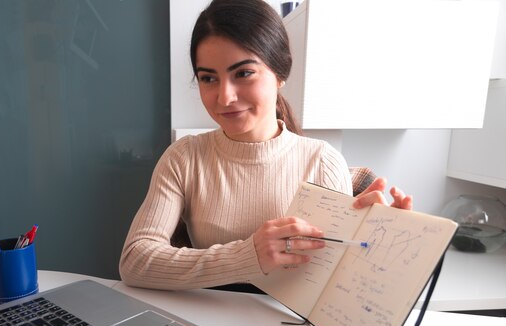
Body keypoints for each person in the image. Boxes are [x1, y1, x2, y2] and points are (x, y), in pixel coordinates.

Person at [119, 0, 412, 290]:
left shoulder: (322, 161)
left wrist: (382, 245)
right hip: (207, 321)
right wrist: (249, 256)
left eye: (243, 73)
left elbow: (334, 283)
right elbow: (134, 261)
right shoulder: (184, 158)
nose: (225, 97)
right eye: (208, 78)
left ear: (280, 72)